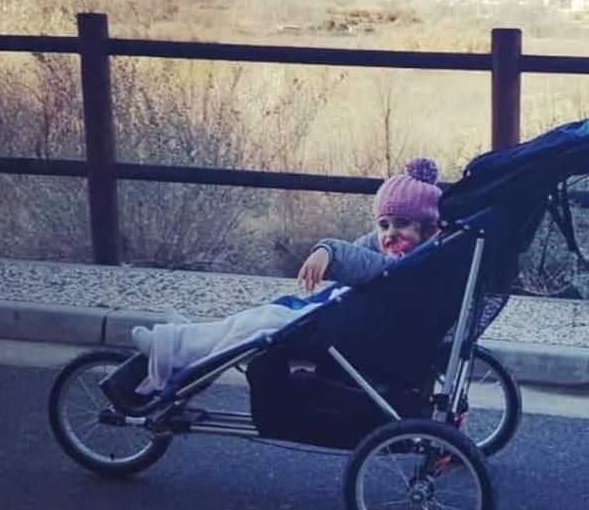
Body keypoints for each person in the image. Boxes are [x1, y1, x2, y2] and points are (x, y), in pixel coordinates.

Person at [129, 157, 443, 395]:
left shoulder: (403, 265)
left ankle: (171, 346)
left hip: (336, 333)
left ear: (426, 229)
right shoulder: (402, 254)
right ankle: (190, 338)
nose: (390, 233)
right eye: (384, 224)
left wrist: (328, 251)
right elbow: (363, 248)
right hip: (336, 323)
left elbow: (362, 262)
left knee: (257, 324)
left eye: (401, 223)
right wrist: (336, 249)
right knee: (250, 322)